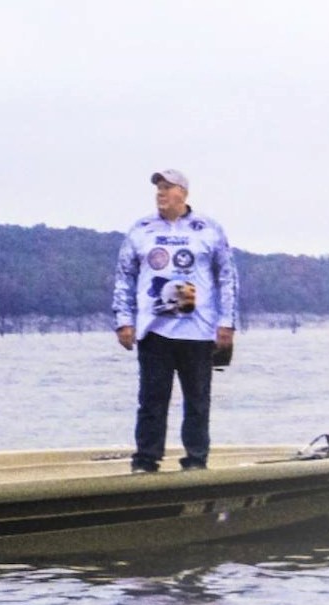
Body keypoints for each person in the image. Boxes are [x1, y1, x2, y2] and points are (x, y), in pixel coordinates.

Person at [112, 169, 239, 473]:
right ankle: (146, 460)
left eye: (168, 187)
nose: (161, 193)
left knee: (197, 400)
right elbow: (124, 277)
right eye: (158, 187)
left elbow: (228, 277)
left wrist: (227, 322)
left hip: (198, 330)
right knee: (152, 399)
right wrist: (123, 320)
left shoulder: (208, 229)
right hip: (154, 329)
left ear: (183, 192)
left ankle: (195, 459)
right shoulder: (141, 229)